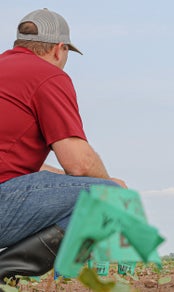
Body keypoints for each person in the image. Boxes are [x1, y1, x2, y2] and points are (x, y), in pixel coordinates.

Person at [0, 8, 127, 284]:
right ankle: (4, 270)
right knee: (111, 199)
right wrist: (109, 186)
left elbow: (22, 168)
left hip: (7, 190)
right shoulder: (47, 75)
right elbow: (78, 163)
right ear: (59, 49)